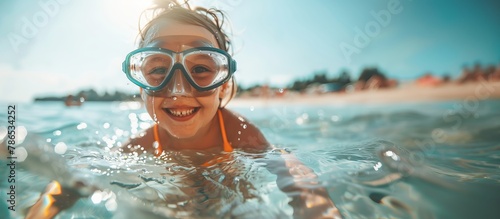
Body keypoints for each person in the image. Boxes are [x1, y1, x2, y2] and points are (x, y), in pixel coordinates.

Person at [27, 1, 341, 218]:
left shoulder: (238, 133)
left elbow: (290, 169)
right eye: (158, 69)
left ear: (223, 84)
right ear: (141, 85)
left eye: (201, 68)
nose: (178, 89)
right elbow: (73, 181)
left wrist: (315, 207)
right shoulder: (139, 146)